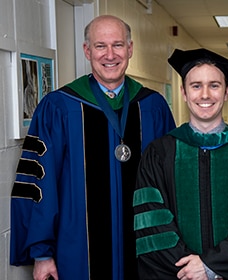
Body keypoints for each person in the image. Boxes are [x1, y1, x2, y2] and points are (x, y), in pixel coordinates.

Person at [10, 15, 176, 280]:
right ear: (87, 51)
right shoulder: (59, 108)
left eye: (118, 45)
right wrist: (42, 254)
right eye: (100, 46)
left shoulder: (153, 107)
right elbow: (39, 183)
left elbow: (174, 181)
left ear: (130, 49)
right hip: (77, 251)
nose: (110, 55)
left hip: (147, 249)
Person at [133, 48, 228, 280]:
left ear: (226, 93)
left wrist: (213, 267)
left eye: (214, 85)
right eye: (196, 86)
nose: (205, 94)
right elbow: (152, 226)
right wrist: (190, 271)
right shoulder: (159, 153)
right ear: (183, 92)